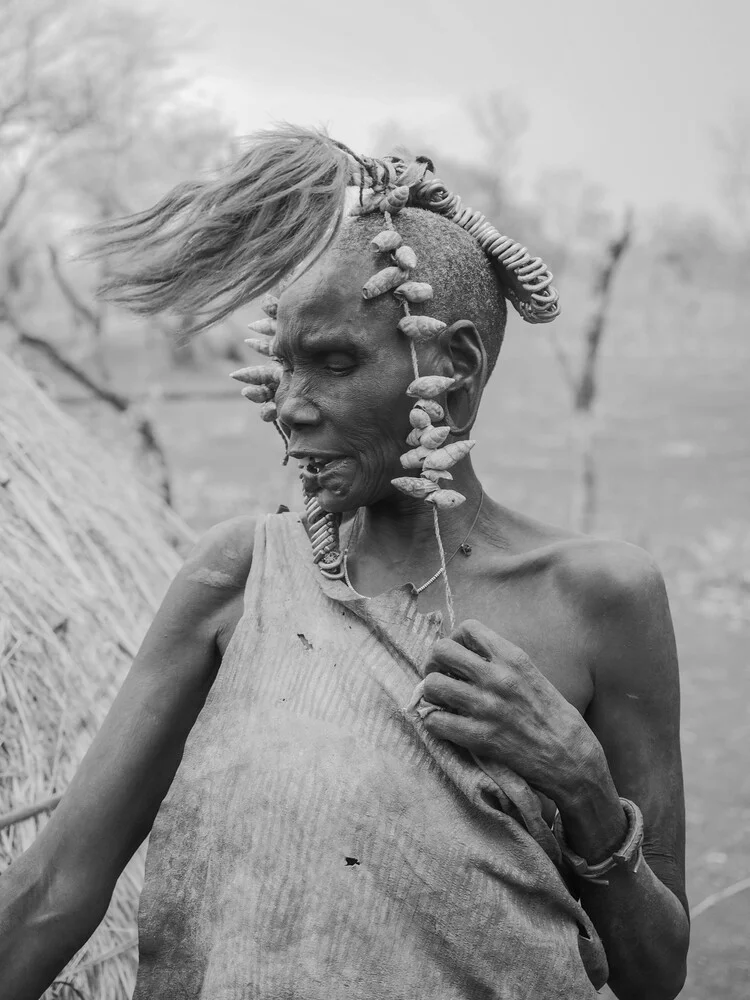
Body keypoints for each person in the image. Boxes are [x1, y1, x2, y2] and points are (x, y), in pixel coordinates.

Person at [0, 127, 689, 999]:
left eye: (334, 363)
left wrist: (583, 788)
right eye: (282, 365)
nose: (292, 408)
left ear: (456, 362)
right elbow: (54, 889)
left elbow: (657, 974)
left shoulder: (598, 599)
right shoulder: (239, 579)